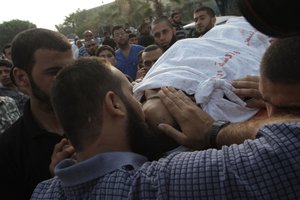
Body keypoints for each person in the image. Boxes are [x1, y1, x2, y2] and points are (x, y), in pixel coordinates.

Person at [31, 36, 300, 198]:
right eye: (133, 92)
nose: (144, 99)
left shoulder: (43, 192)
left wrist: (66, 175)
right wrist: (215, 131)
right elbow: (292, 150)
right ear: (114, 104)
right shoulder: (169, 181)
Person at [134, 16, 271, 126]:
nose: (162, 37)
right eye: (157, 34)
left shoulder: (185, 45)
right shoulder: (155, 74)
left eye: (164, 32)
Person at [0, 28, 73, 200]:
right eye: (54, 72)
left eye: (71, 70)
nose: (69, 79)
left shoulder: (100, 123)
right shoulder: (7, 152)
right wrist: (58, 183)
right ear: (21, 78)